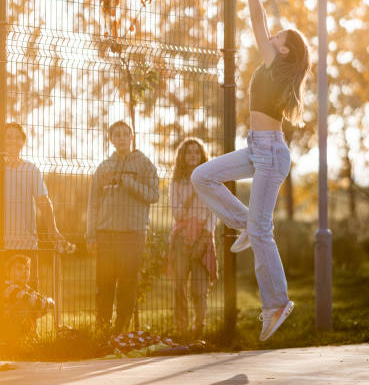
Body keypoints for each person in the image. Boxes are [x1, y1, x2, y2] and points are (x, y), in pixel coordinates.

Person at [191, 0, 311, 342]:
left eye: (278, 36)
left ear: (285, 49)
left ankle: (276, 302)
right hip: (258, 149)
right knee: (202, 176)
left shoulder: (274, 65)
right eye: (273, 34)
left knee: (262, 233)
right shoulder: (271, 67)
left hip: (271, 154)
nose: (271, 34)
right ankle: (241, 220)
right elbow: (260, 22)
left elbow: (256, 18)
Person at [86, 120, 159, 334]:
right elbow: (93, 203)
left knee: (127, 283)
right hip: (106, 233)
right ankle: (102, 328)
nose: (121, 138)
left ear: (132, 137)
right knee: (105, 283)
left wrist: (129, 183)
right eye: (116, 135)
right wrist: (91, 235)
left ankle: (121, 330)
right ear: (111, 139)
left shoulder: (145, 164)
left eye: (125, 134)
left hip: (133, 233)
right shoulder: (104, 167)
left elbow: (153, 195)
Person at [2, 122, 69, 289]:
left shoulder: (31, 170)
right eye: (8, 136)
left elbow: (44, 202)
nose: (12, 141)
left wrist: (53, 230)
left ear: (22, 142)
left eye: (17, 137)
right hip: (2, 244)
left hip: (25, 243)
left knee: (28, 297)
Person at [168, 138, 217, 338]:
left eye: (197, 152)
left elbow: (214, 211)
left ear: (202, 156)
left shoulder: (210, 181)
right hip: (181, 237)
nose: (193, 156)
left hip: (204, 237)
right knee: (180, 285)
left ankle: (199, 327)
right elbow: (177, 213)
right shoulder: (176, 182)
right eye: (189, 152)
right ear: (183, 156)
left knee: (199, 287)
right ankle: (181, 328)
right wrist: (192, 193)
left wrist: (205, 236)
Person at [3, 254, 55, 347]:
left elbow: (41, 303)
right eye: (19, 269)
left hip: (22, 328)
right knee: (25, 304)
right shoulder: (8, 287)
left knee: (32, 306)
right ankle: (12, 341)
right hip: (5, 328)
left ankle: (28, 338)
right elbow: (35, 301)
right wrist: (48, 302)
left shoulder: (27, 288)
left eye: (27, 268)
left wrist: (45, 303)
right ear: (8, 273)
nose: (24, 272)